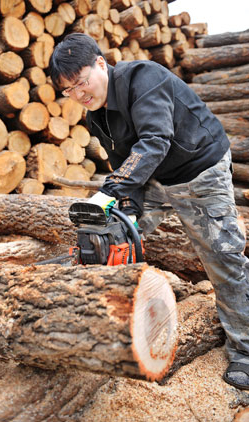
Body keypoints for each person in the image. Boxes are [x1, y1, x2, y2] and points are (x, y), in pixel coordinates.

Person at [48, 32, 249, 390]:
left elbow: (155, 140)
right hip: (155, 174)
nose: (79, 94)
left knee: (223, 257)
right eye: (69, 91)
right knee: (112, 235)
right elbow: (125, 166)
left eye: (81, 83)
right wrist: (127, 212)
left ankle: (245, 350)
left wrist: (109, 192)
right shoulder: (97, 114)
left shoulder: (144, 78)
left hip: (199, 167)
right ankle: (112, 321)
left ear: (99, 63)